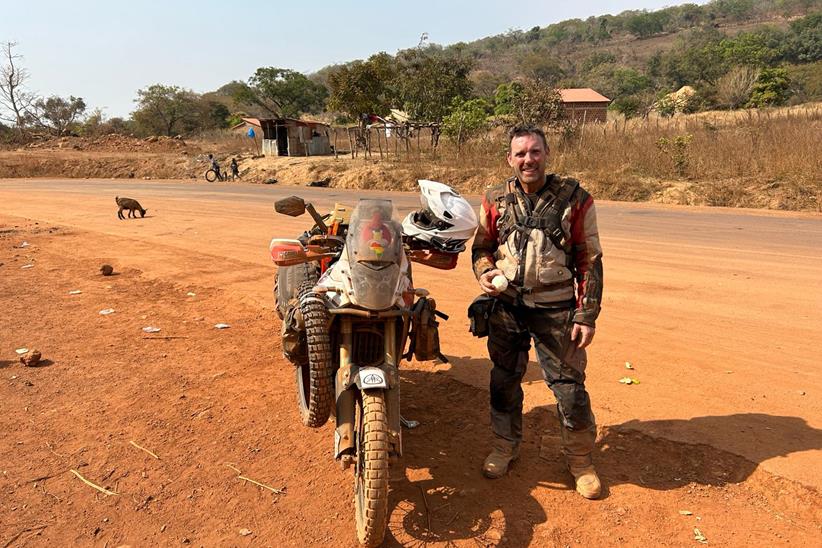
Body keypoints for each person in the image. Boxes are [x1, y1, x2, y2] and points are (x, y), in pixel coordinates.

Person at [470, 124, 604, 499]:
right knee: (503, 381)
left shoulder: (576, 199)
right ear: (509, 159)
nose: (528, 159)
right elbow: (480, 249)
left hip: (556, 309)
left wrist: (585, 314)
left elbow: (589, 260)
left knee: (570, 390)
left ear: (546, 154)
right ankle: (504, 446)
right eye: (521, 153)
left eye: (535, 152)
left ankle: (580, 461)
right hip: (507, 308)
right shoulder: (495, 198)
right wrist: (486, 272)